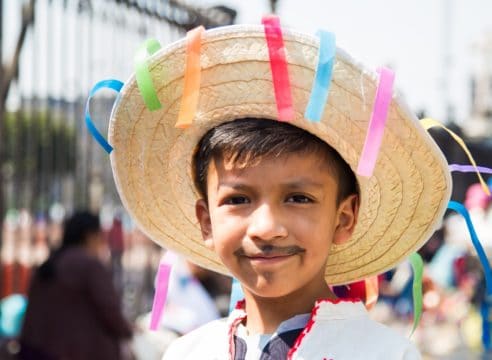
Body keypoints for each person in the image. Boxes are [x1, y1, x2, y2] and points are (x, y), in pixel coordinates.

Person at [106, 22, 451, 359]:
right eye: (238, 199)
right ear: (206, 220)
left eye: (299, 198)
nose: (266, 228)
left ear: (343, 217)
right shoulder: (187, 352)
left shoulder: (386, 354)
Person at [19, 211, 133, 360]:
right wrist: (128, 331)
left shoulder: (51, 262)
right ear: (90, 236)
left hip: (34, 350)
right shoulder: (89, 266)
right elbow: (110, 311)